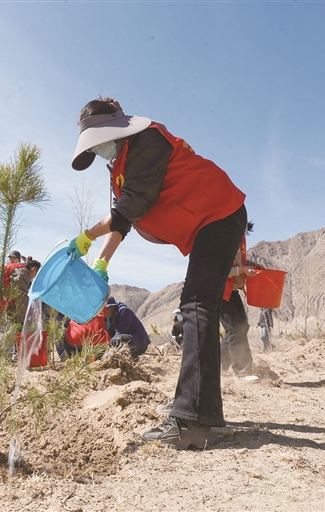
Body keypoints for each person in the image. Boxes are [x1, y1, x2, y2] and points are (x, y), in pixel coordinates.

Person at [68, 97, 247, 449]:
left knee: (196, 307)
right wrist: (101, 263)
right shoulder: (120, 166)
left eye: (99, 142)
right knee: (199, 308)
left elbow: (130, 208)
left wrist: (85, 236)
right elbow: (122, 221)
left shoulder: (146, 141)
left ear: (114, 129)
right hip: (209, 223)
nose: (99, 151)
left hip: (219, 214)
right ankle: (199, 410)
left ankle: (192, 419)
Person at [220, 227, 259, 377]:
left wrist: (251, 264)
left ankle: (219, 364)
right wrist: (242, 270)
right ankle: (242, 371)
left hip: (232, 289)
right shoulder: (222, 239)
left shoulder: (237, 239)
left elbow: (237, 261)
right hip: (220, 291)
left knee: (241, 327)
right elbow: (220, 270)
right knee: (235, 328)